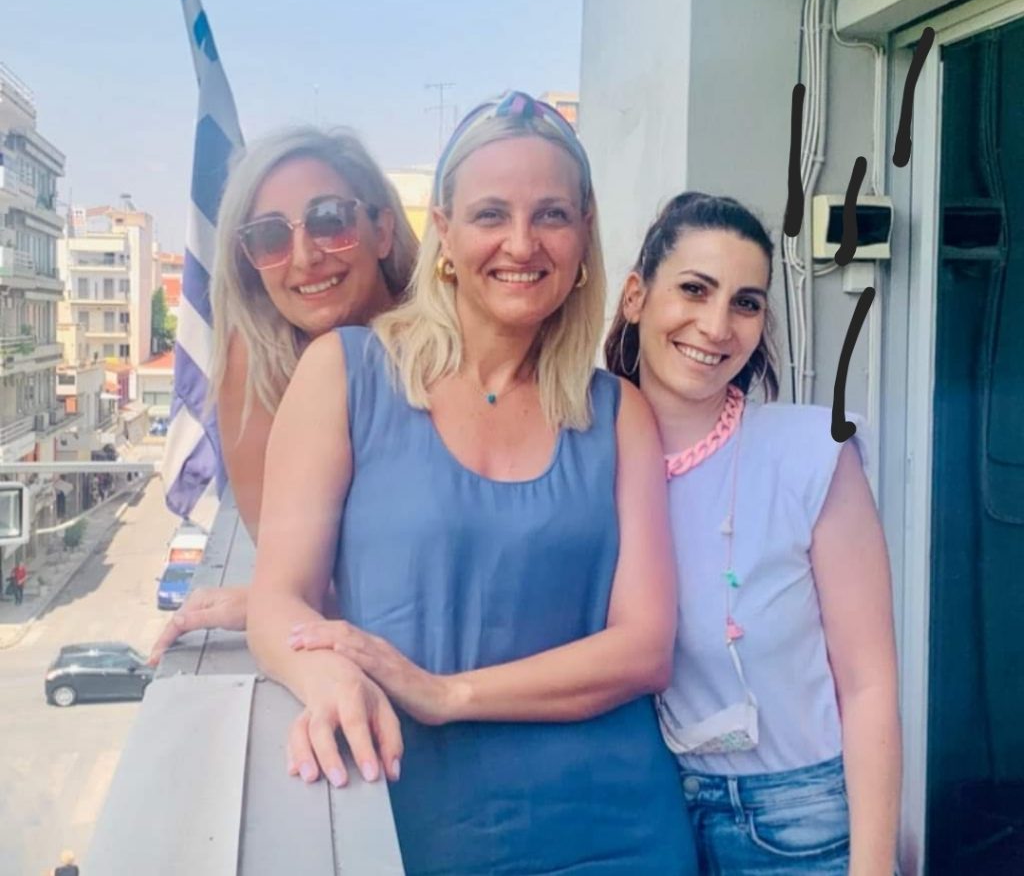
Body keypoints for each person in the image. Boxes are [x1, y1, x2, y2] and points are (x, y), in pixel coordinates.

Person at [249, 92, 697, 874]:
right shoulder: (346, 375)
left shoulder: (616, 411)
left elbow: (644, 649)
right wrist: (320, 672)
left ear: (584, 232)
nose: (521, 243)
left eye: (551, 214)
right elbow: (278, 599)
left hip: (620, 834)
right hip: (414, 833)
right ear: (445, 233)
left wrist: (444, 692)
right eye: (492, 213)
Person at [603, 192, 901, 875]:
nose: (716, 326)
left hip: (799, 825)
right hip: (640, 821)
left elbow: (869, 687)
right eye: (694, 289)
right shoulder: (585, 458)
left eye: (745, 303)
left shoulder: (810, 454)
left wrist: (874, 865)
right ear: (635, 297)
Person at [148, 127, 418, 664]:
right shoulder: (254, 368)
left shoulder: (455, 352)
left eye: (330, 221)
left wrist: (269, 605)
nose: (304, 257)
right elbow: (291, 582)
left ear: (383, 231)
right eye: (269, 237)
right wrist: (276, 606)